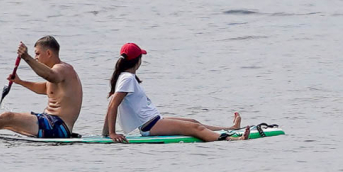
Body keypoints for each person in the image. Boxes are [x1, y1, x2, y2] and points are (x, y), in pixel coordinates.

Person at [103, 43, 249, 143]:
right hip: (150, 126)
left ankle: (231, 129)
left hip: (155, 121)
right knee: (195, 129)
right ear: (138, 60)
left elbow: (111, 104)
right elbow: (113, 105)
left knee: (193, 122)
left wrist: (106, 133)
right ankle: (233, 140)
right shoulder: (127, 78)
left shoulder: (127, 77)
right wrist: (112, 133)